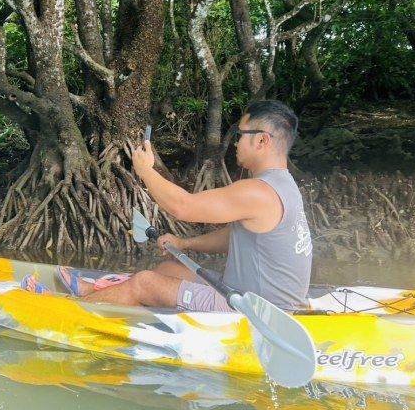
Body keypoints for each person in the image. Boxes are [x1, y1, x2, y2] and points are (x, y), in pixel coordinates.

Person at [60, 99, 313, 312]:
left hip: (257, 311)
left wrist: (145, 171)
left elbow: (184, 207)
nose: (235, 143)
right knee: (170, 269)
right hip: (253, 298)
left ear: (262, 141)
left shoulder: (259, 192)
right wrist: (184, 244)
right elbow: (236, 238)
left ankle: (67, 310)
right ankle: (99, 294)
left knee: (144, 282)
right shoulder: (284, 185)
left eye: (240, 135)